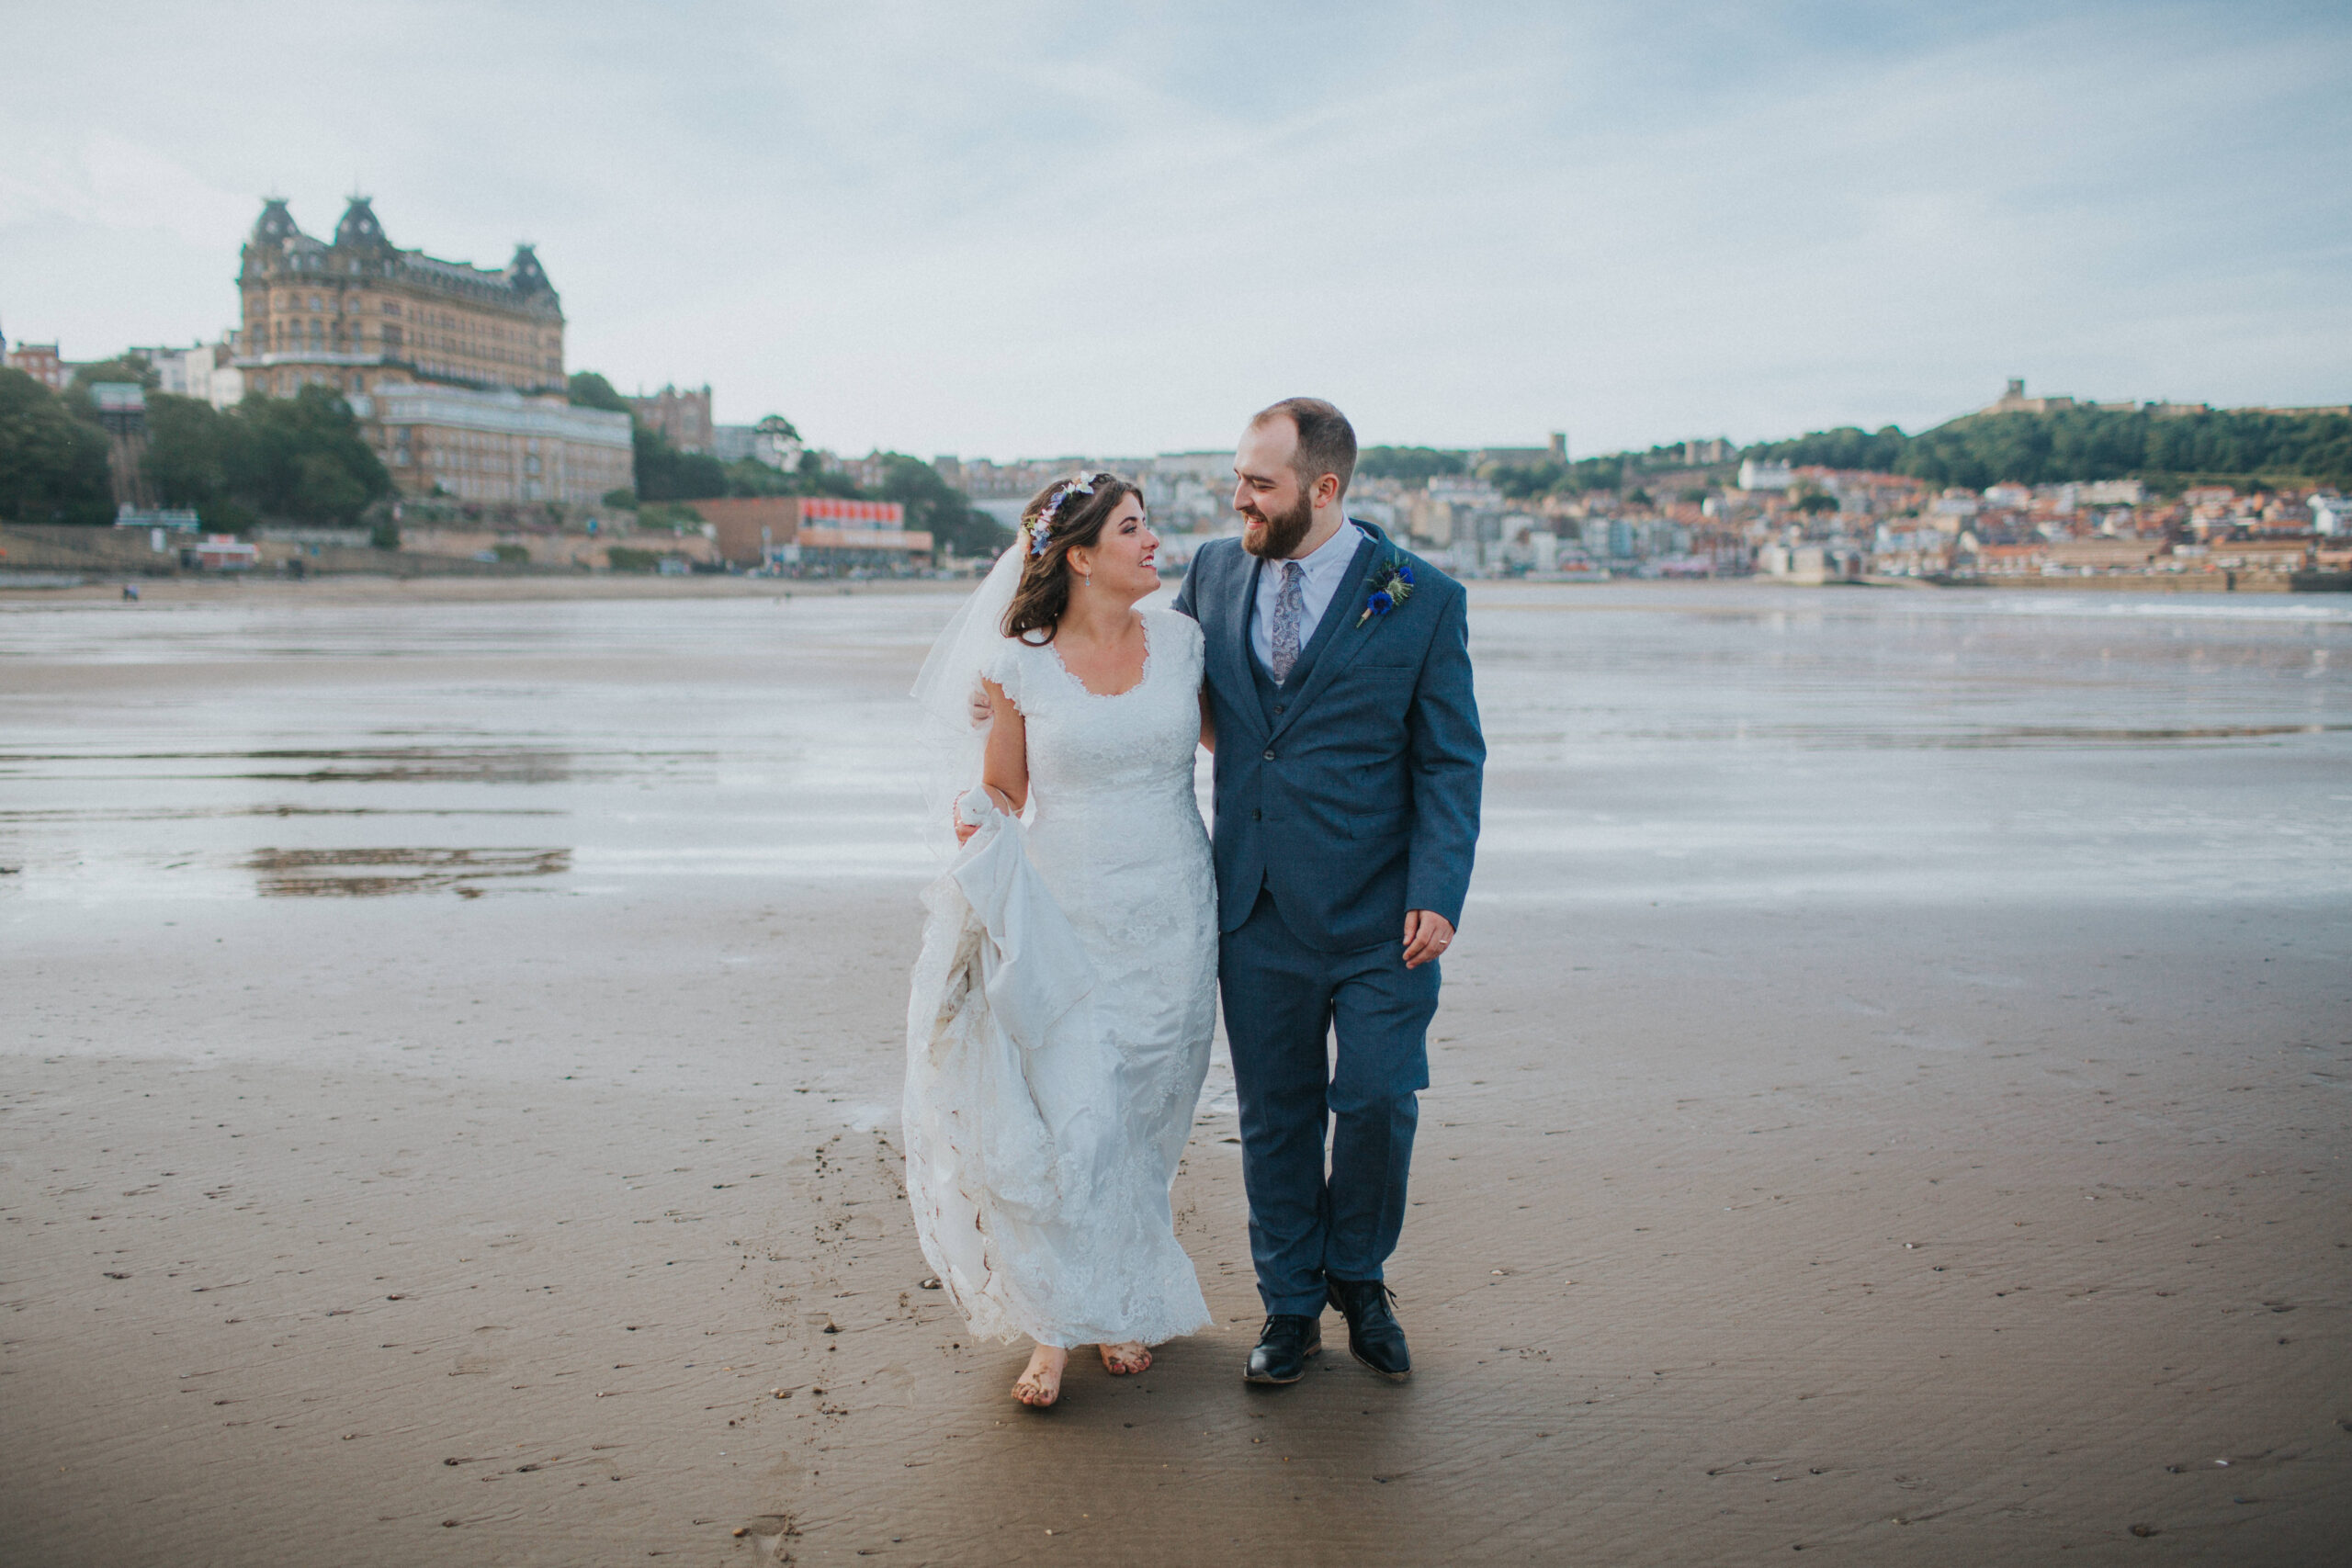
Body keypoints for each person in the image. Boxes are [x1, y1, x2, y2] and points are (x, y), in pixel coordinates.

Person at [1171, 397, 1484, 1386]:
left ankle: (1359, 1274)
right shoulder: (1214, 573)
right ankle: (1291, 1305)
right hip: (1254, 904)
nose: (1240, 501)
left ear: (1326, 488)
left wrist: (1438, 887)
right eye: (1238, 480)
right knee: (1276, 1115)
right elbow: (1170, 694)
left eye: (1259, 484)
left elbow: (1448, 761)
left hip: (1383, 912)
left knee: (1380, 1099)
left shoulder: (1421, 597)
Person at [904, 474, 1216, 1409]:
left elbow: (1234, 747)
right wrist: (976, 822)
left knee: (1146, 1116)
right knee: (1073, 1114)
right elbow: (1005, 791)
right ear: (1081, 556)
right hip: (1066, 919)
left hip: (1173, 914)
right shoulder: (1021, 666)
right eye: (1132, 528)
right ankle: (1052, 1328)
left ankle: (1116, 1304)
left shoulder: (1186, 644)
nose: (1153, 540)